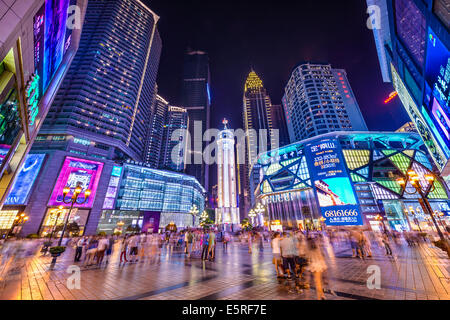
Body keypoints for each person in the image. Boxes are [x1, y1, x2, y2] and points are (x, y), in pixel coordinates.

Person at [306, 236, 328, 300]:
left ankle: (319, 297)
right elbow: (322, 257)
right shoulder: (318, 249)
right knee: (320, 281)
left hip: (315, 266)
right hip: (320, 265)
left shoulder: (309, 250)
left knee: (317, 282)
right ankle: (322, 295)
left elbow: (308, 259)